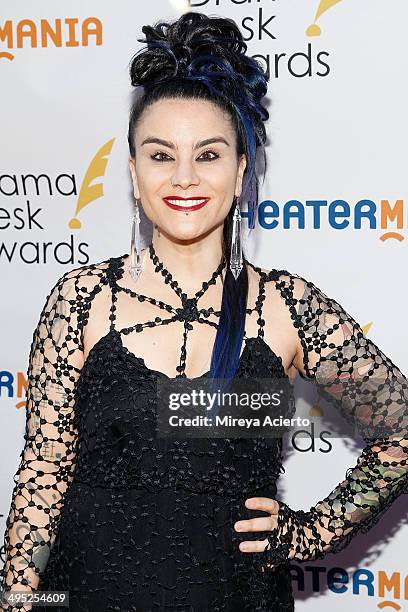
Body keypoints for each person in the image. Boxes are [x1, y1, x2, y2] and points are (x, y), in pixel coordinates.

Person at [0, 11, 407, 612]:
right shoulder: (81, 300)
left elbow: (401, 429)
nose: (184, 178)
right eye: (161, 156)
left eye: (208, 155)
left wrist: (310, 531)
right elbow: (42, 483)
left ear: (241, 171)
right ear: (134, 173)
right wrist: (16, 602)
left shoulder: (287, 309)